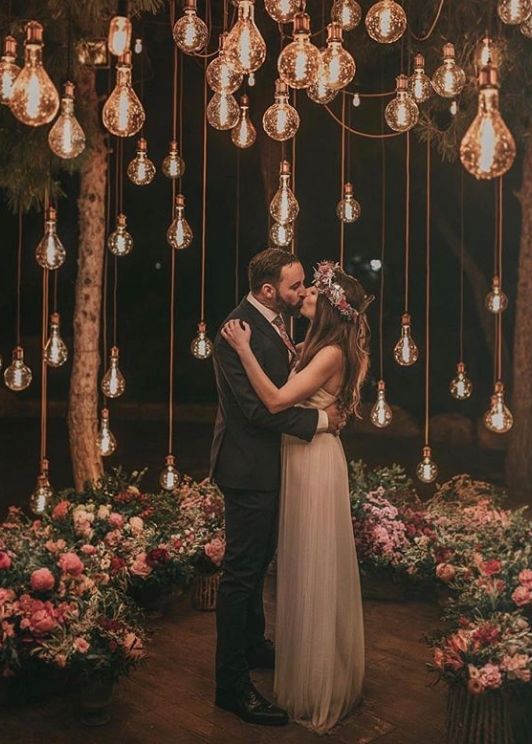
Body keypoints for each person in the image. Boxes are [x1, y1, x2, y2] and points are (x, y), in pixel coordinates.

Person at [221, 259, 372, 734]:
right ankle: (231, 683)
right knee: (247, 571)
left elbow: (282, 397)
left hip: (305, 463)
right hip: (269, 463)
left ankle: (277, 655)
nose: (303, 291)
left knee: (296, 559)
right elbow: (257, 409)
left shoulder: (320, 346)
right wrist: (320, 420)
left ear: (327, 306)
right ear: (269, 290)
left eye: (309, 288)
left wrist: (321, 416)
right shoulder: (246, 332)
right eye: (297, 286)